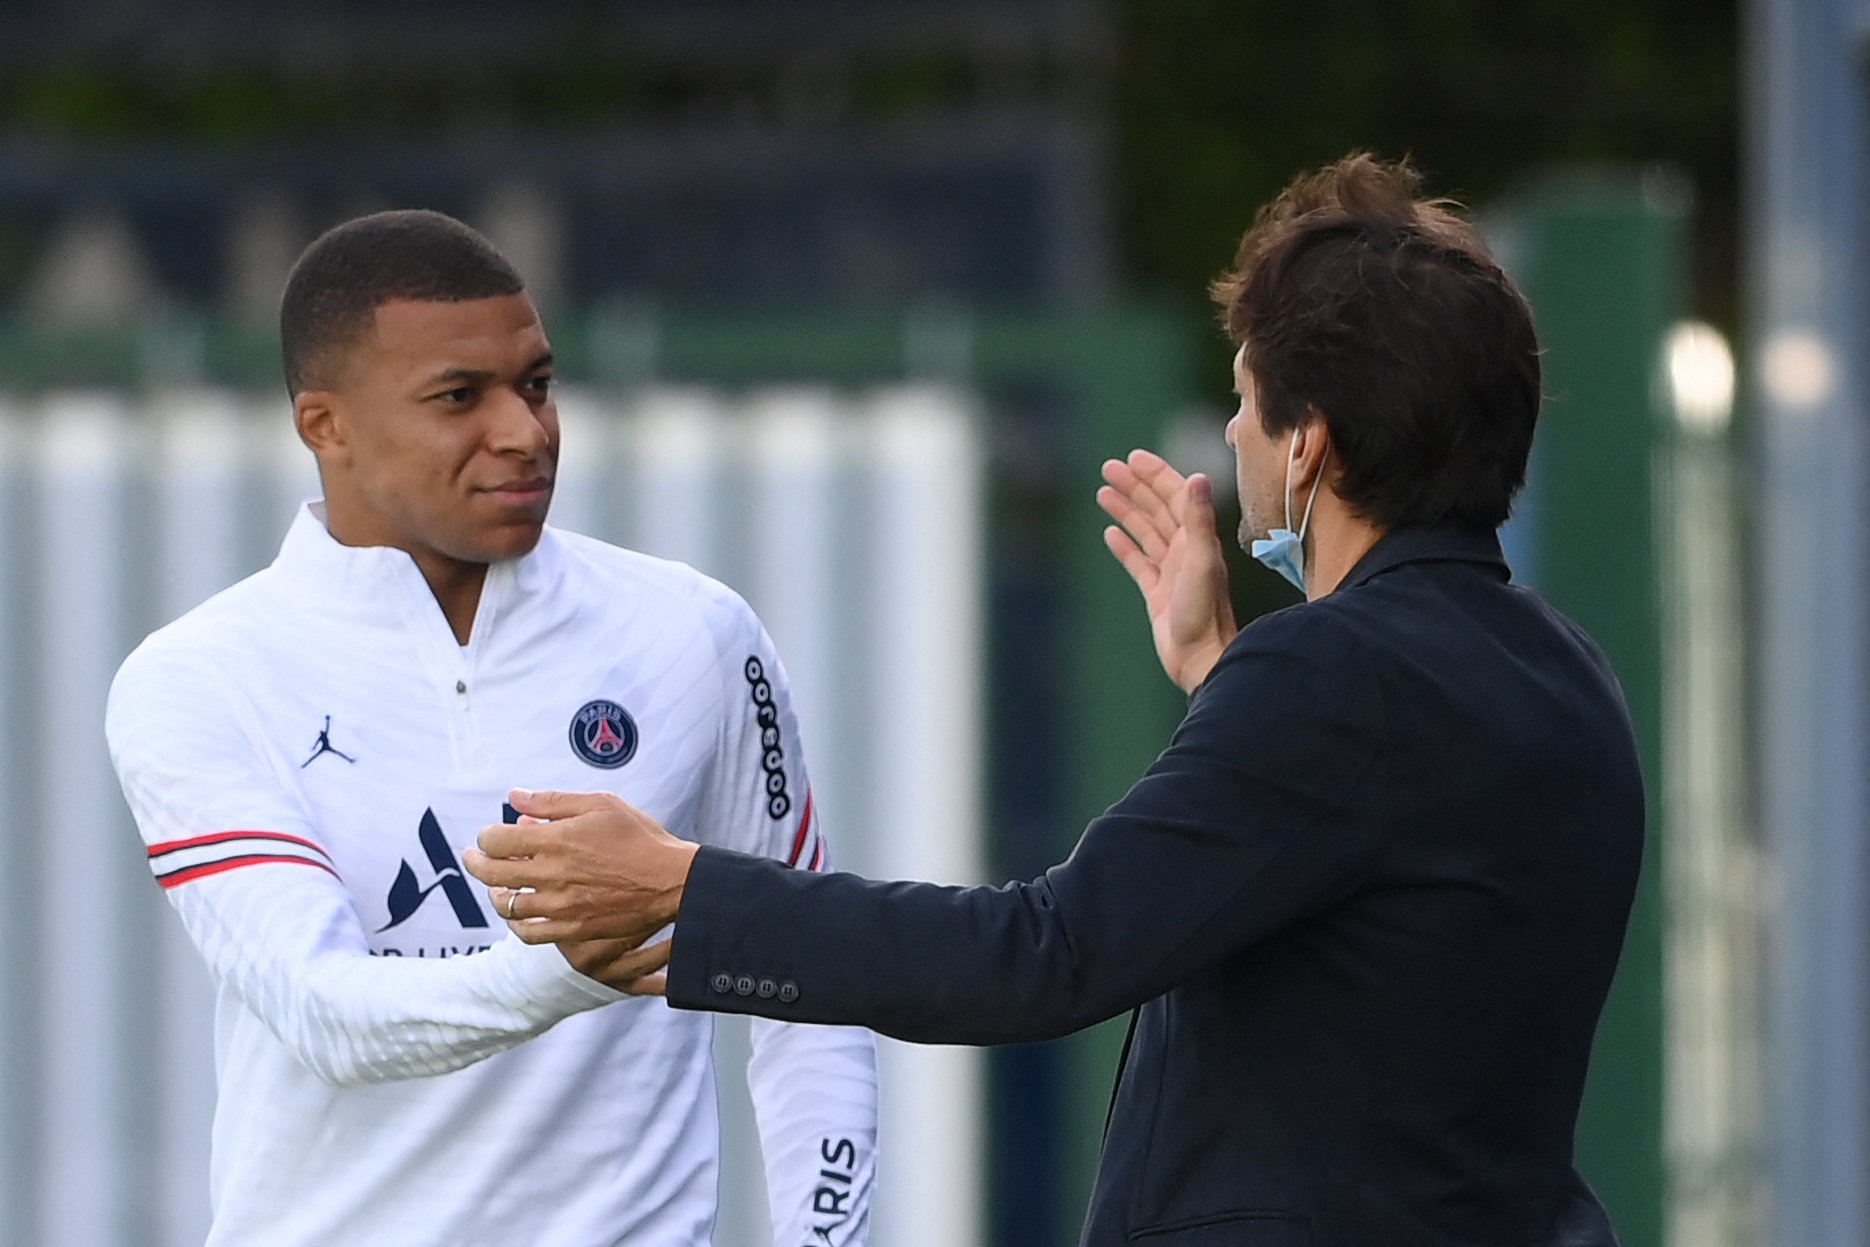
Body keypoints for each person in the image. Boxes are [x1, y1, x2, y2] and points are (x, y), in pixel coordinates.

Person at [466, 154, 1645, 1247]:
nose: (1232, 429)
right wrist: (1221, 672)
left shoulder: (1332, 678)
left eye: (1246, 397)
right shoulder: (1568, 678)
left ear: (1308, 447)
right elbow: (1386, 975)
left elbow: (1044, 952)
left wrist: (688, 891)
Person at [106, 210, 877, 1247]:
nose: (524, 431)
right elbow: (328, 1014)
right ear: (325, 424)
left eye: (538, 384)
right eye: (459, 396)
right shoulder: (200, 677)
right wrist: (577, 956)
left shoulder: (693, 632)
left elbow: (813, 987)